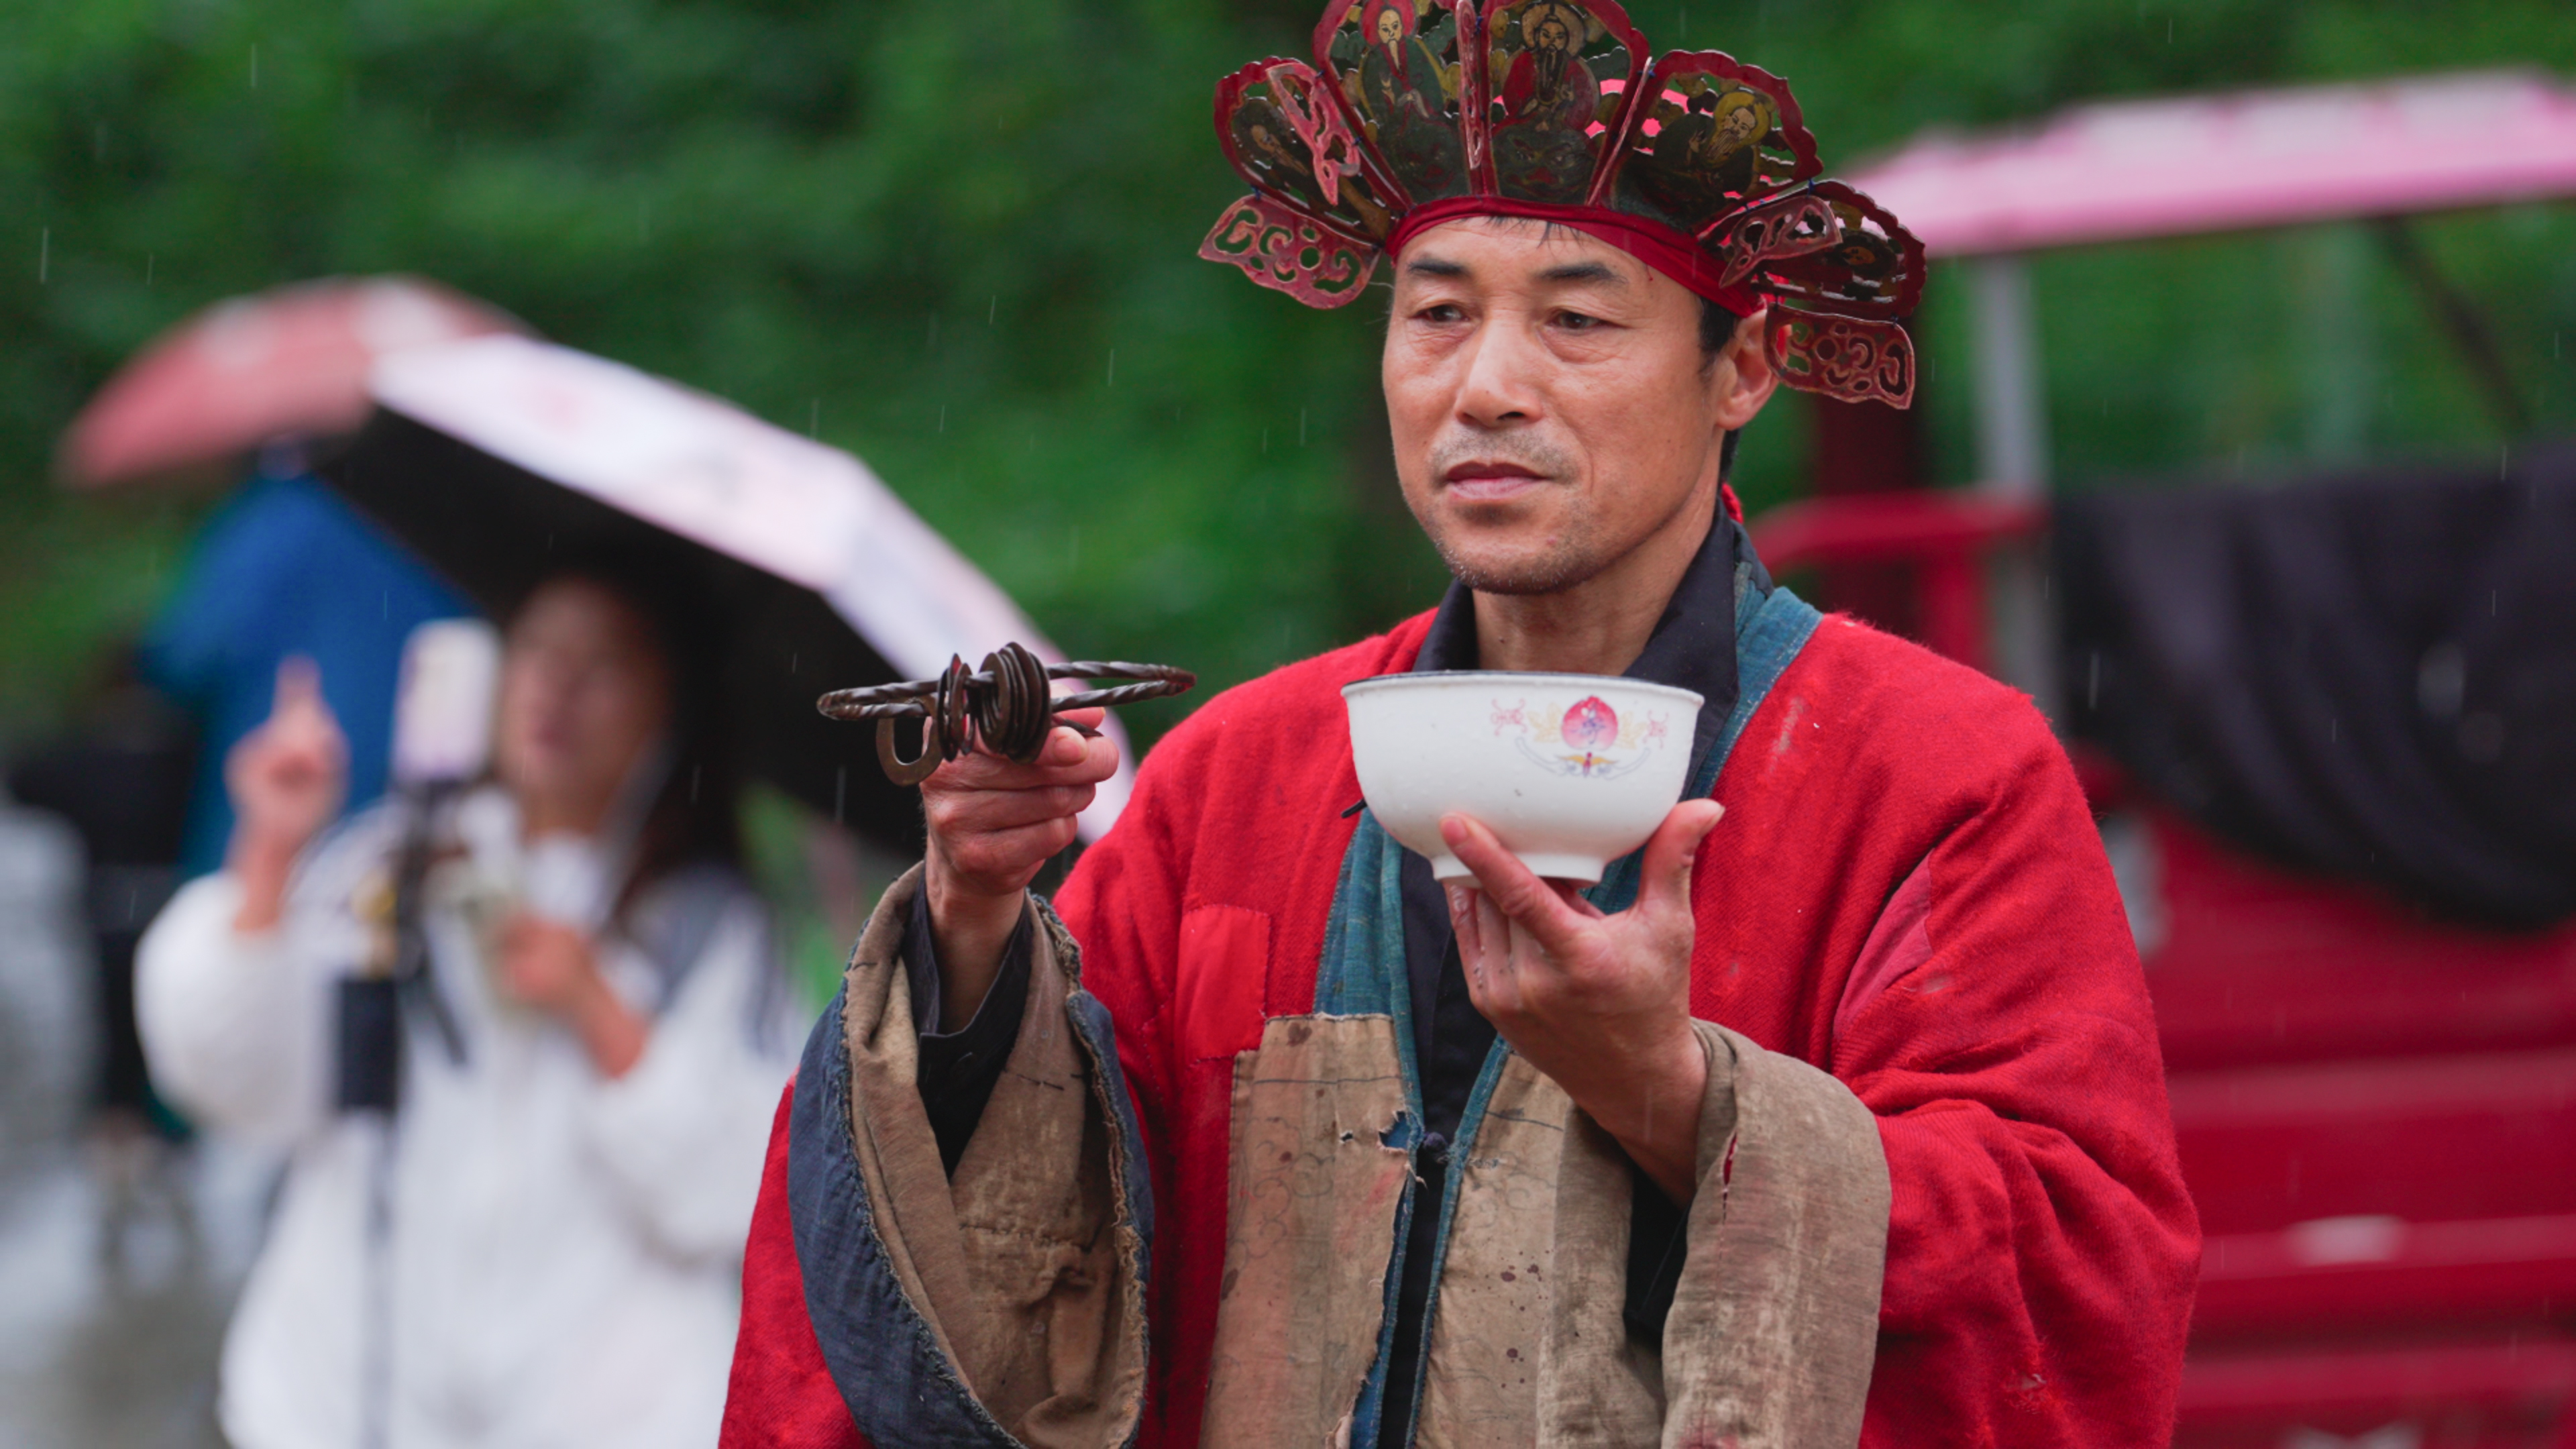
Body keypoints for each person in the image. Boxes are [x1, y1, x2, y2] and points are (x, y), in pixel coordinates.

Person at [722, 11, 2197, 1447]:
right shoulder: (1241, 774)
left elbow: (2071, 1265)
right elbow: (1043, 1247)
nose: (1485, 388)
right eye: (1437, 313)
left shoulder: (1932, 773)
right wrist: (979, 927)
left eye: (1575, 319)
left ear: (1740, 370)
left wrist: (1674, 1101)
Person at [139, 573, 802, 1449]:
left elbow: (740, 1203)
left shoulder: (713, 930)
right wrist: (271, 853)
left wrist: (599, 1010)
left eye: (604, 662)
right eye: (537, 648)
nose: (557, 686)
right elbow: (239, 1084)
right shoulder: (390, 868)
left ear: (669, 706)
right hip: (340, 1403)